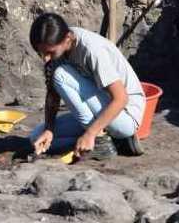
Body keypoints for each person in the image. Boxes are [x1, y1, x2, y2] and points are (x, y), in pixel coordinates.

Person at [27, 12, 145, 160]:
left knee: (60, 75)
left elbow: (121, 99)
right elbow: (52, 95)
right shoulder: (59, 46)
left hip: (125, 117)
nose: (45, 59)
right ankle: (109, 142)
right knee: (35, 137)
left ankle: (100, 139)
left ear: (67, 39)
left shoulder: (91, 50)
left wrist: (90, 133)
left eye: (50, 53)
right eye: (41, 53)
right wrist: (49, 129)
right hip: (98, 113)